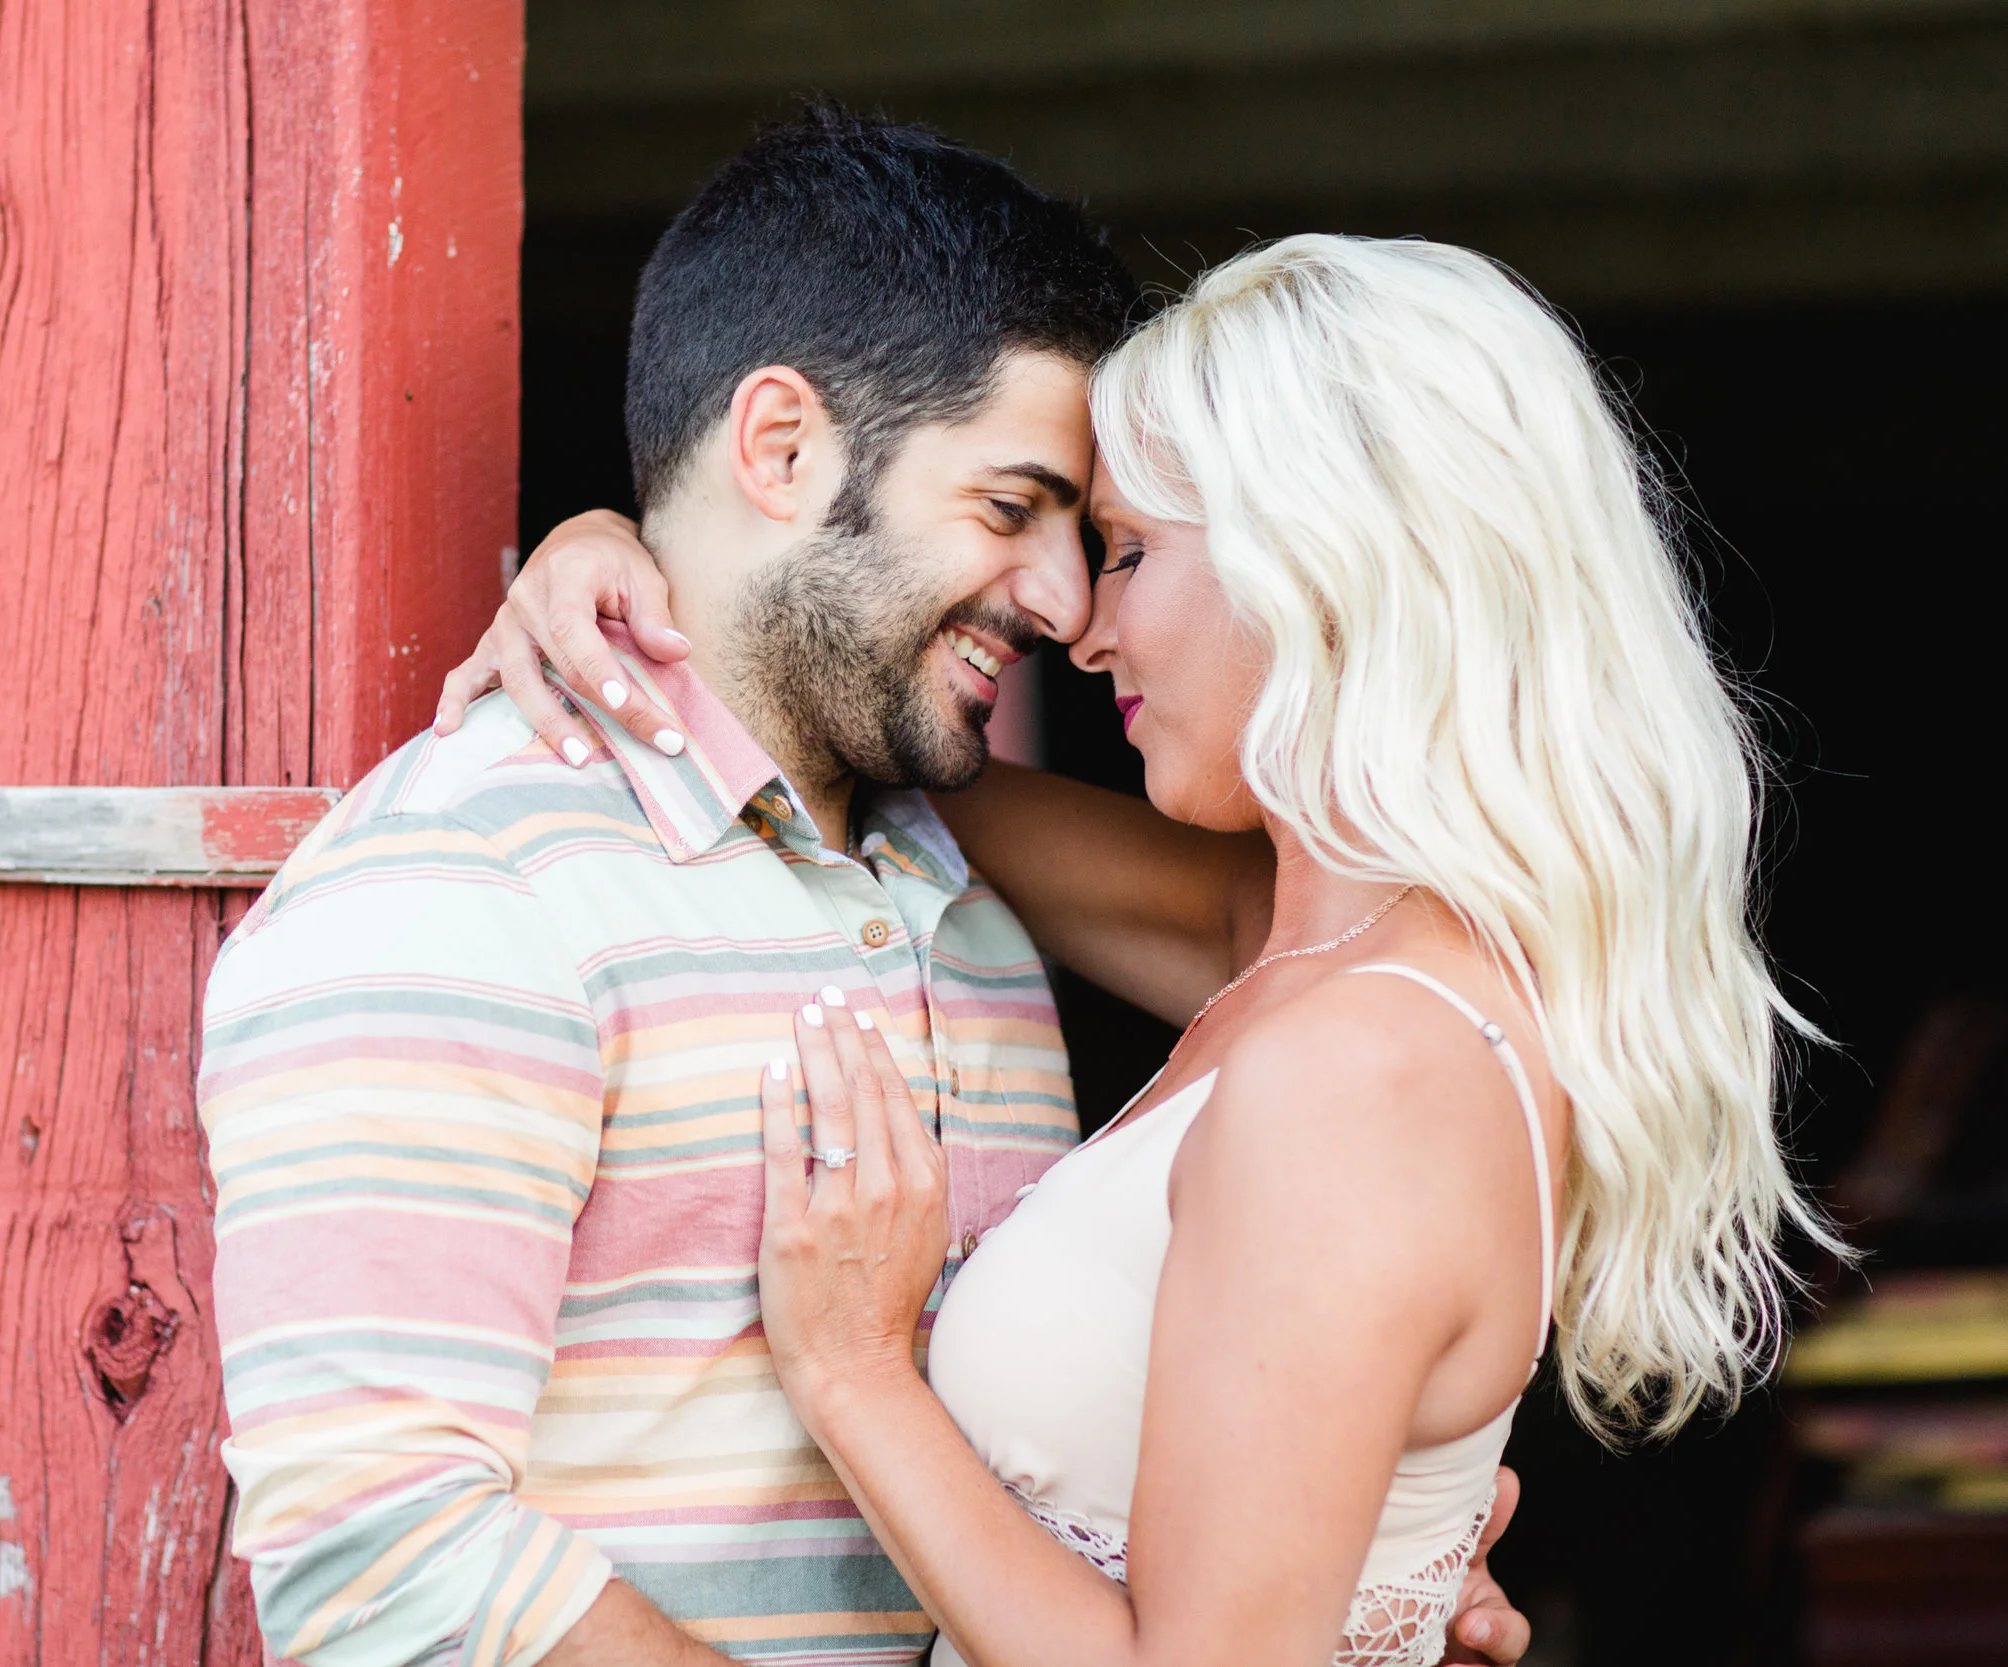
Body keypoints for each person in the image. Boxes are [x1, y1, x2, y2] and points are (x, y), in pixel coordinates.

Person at [200, 112, 1535, 1666]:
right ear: (779, 449)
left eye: (1094, 540)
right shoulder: (458, 892)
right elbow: (386, 1569)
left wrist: (1349, 1573)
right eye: (1010, 509)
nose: (1063, 602)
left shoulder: (948, 878)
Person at [441, 234, 1838, 1664]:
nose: (1085, 627)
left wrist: (856, 1372)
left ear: (1322, 561)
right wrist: (658, 574)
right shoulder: (1306, 956)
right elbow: (868, 765)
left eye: (1126, 551)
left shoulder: (1361, 1067)